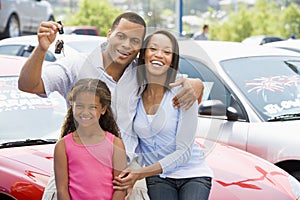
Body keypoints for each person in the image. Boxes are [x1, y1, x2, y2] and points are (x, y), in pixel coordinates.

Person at [18, 12, 204, 199]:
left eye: (134, 40)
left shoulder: (141, 74)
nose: (126, 45)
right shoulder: (78, 64)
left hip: (126, 175)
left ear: (140, 47)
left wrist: (196, 83)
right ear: (109, 34)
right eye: (121, 36)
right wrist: (41, 49)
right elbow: (28, 85)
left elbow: (171, 78)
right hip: (75, 170)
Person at [113, 30, 213, 200]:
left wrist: (140, 173)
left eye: (167, 52)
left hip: (192, 174)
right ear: (143, 55)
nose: (159, 55)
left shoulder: (184, 92)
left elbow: (184, 152)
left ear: (172, 61)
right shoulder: (134, 94)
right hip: (157, 177)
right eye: (153, 49)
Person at [54, 78, 127, 199]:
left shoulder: (116, 144)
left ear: (103, 109)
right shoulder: (62, 146)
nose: (85, 112)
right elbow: (62, 190)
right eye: (80, 106)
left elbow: (120, 189)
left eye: (92, 107)